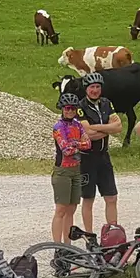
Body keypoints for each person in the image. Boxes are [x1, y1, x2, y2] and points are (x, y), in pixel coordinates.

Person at [76, 72, 122, 235]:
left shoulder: (106, 104)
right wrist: (107, 130)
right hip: (87, 158)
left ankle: (113, 233)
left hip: (104, 156)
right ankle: (90, 236)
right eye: (92, 87)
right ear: (86, 89)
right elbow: (86, 133)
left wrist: (96, 128)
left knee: (111, 197)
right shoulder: (80, 107)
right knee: (88, 199)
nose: (95, 90)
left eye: (97, 87)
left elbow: (118, 126)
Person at [50, 93, 88, 243]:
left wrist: (75, 145)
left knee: (71, 209)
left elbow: (88, 143)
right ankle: (57, 246)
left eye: (73, 109)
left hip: (76, 170)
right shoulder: (58, 127)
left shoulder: (78, 125)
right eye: (67, 108)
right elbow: (65, 150)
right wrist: (79, 145)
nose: (70, 111)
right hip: (62, 171)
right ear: (62, 109)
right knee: (61, 210)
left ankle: (67, 244)